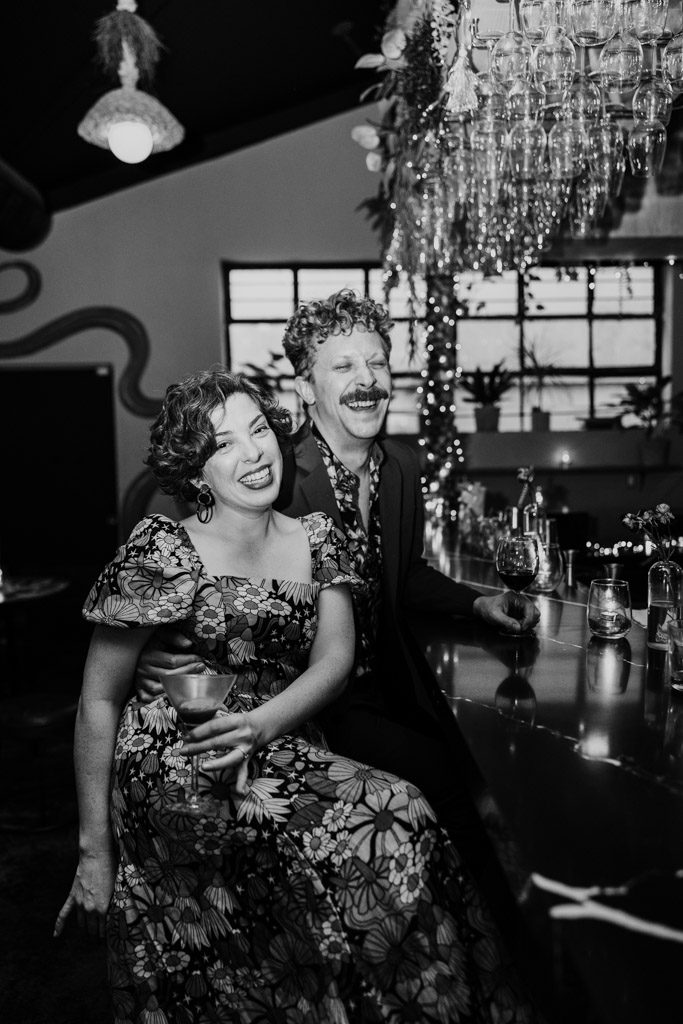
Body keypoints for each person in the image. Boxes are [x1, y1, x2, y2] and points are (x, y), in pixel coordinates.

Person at [54, 370, 537, 1024]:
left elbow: (334, 660)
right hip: (176, 754)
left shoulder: (316, 536)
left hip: (275, 733)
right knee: (385, 822)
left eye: (259, 430)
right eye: (223, 445)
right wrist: (93, 849)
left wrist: (259, 726)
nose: (253, 453)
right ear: (195, 470)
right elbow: (98, 700)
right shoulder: (163, 545)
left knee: (401, 812)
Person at [137, 291, 539, 879]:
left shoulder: (401, 465)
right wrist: (159, 644)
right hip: (305, 700)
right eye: (344, 366)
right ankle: (487, 931)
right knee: (447, 786)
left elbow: (403, 573)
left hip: (392, 681)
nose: (366, 380)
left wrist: (480, 601)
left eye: (377, 363)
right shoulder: (270, 473)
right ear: (304, 388)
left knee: (486, 756)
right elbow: (200, 570)